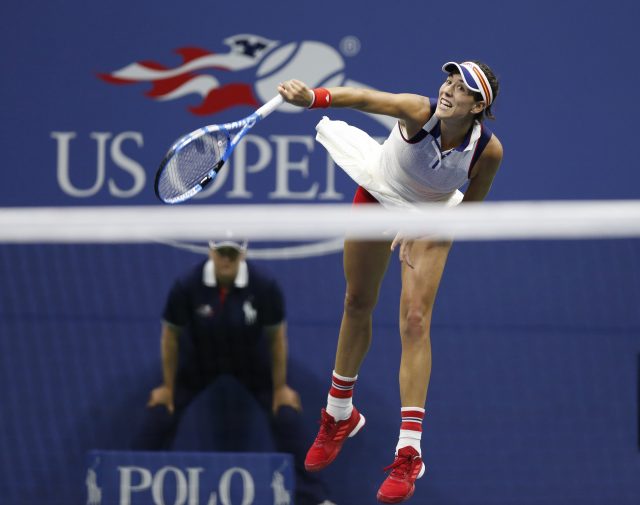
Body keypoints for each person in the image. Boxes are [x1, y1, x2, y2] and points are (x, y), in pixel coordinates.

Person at [277, 60, 503, 503]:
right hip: (381, 190)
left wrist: (426, 228)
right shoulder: (417, 111)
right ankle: (338, 413)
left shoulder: (487, 152)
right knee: (357, 301)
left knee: (415, 321)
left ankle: (409, 453)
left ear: (478, 106)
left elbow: (471, 211)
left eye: (461, 89)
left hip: (433, 216)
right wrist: (312, 98)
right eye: (448, 81)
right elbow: (362, 98)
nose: (448, 90)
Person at [131, 239, 334, 505]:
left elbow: (276, 338)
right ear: (211, 252)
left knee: (286, 414)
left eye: (232, 253)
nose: (226, 259)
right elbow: (170, 336)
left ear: (243, 254)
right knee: (160, 411)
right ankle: (133, 491)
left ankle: (314, 498)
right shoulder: (187, 285)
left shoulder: (263, 286)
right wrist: (167, 387)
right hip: (200, 361)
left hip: (249, 360)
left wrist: (280, 388)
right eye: (221, 252)